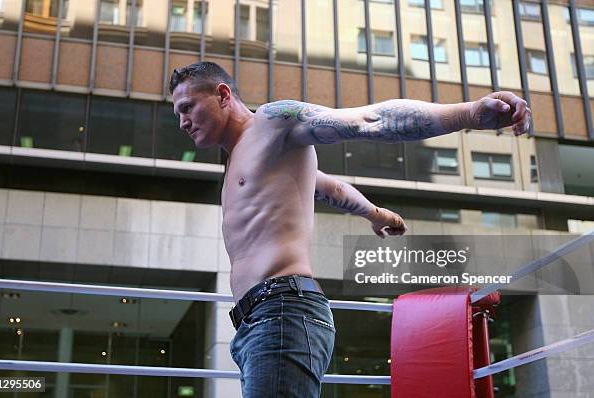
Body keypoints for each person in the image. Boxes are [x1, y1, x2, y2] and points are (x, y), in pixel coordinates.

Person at [169, 62, 531, 397]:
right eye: (177, 114)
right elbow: (328, 187)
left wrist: (469, 114)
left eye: (187, 107)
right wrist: (373, 213)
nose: (182, 122)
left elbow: (369, 120)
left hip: (281, 312)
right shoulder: (243, 157)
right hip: (258, 322)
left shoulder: (271, 122)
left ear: (222, 95)